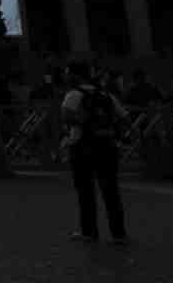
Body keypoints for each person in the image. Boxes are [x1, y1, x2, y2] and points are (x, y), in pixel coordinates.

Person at [63, 64, 129, 244]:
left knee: (85, 191)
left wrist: (83, 122)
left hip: (82, 146)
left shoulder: (74, 94)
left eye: (68, 74)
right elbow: (124, 118)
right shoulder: (106, 95)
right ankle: (119, 234)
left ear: (76, 76)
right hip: (107, 146)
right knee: (111, 191)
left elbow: (66, 116)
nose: (66, 77)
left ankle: (89, 232)